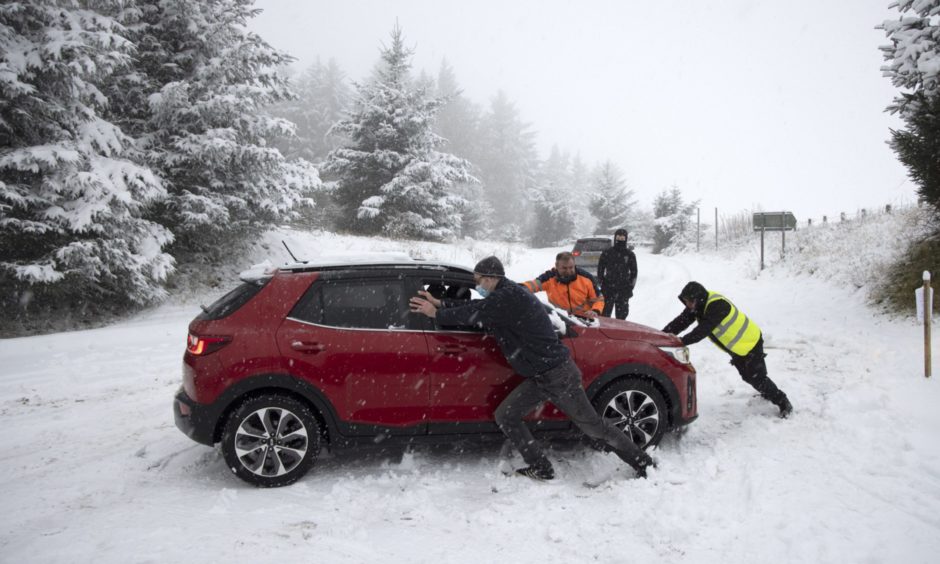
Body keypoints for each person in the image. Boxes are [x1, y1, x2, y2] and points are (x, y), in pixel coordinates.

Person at [409, 256, 654, 480]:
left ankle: (643, 462)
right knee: (507, 415)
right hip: (541, 376)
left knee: (593, 426)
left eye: (479, 280)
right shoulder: (503, 295)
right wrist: (440, 302)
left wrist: (436, 313)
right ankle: (541, 467)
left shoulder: (507, 298)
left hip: (558, 375)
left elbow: (474, 313)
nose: (477, 285)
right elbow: (475, 308)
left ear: (492, 278)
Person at [662, 281, 793, 418]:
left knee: (757, 378)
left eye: (689, 301)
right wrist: (661, 336)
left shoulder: (717, 305)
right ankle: (767, 392)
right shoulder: (698, 306)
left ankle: (783, 402)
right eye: (686, 302)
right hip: (737, 347)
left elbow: (702, 330)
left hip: (751, 341)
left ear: (697, 298)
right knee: (747, 376)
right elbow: (681, 321)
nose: (687, 305)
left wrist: (682, 341)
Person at [522, 252, 604, 319]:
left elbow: (599, 299)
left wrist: (595, 310)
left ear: (574, 265)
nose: (568, 271)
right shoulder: (549, 277)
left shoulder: (587, 278)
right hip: (561, 320)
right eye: (564, 268)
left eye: (571, 267)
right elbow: (533, 285)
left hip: (584, 320)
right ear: (557, 266)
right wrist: (519, 288)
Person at [597, 228, 637, 320]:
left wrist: (630, 287)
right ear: (615, 238)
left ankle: (620, 333)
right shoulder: (607, 253)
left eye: (623, 238)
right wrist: (602, 284)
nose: (620, 239)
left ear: (626, 239)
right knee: (605, 316)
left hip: (623, 289)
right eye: (618, 237)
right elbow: (600, 270)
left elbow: (634, 272)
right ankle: (605, 332)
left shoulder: (630, 254)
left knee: (621, 317)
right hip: (608, 288)